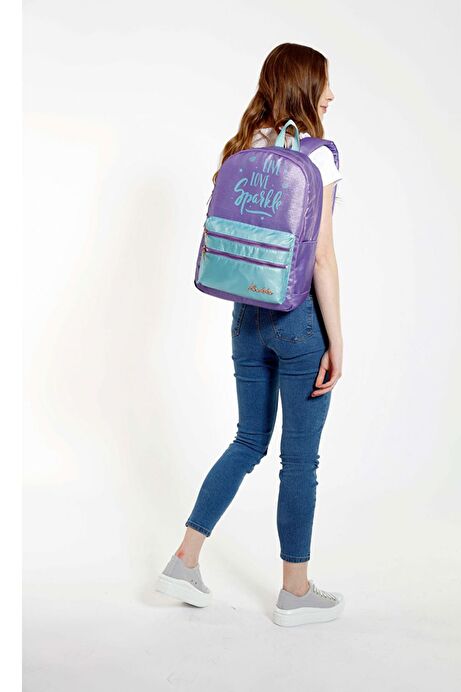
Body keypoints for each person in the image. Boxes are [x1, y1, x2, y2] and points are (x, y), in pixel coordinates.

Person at [156, 43, 345, 627]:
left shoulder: (244, 147)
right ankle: (295, 592)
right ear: (305, 87)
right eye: (325, 83)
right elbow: (321, 259)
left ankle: (184, 560)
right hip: (299, 323)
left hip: (246, 317)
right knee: (299, 461)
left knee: (247, 441)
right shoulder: (317, 156)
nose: (332, 95)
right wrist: (337, 341)